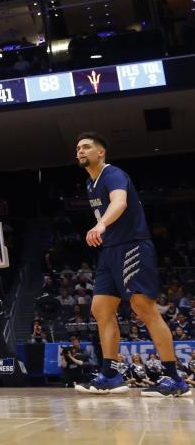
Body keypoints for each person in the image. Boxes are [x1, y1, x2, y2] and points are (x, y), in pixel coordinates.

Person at [73, 133, 189, 397]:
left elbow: (120, 202)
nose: (80, 151)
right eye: (78, 148)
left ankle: (174, 378)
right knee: (100, 309)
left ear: (101, 152)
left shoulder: (112, 174)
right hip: (110, 251)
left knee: (142, 306)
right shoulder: (89, 184)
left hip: (133, 245)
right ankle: (111, 374)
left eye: (87, 147)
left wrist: (101, 224)